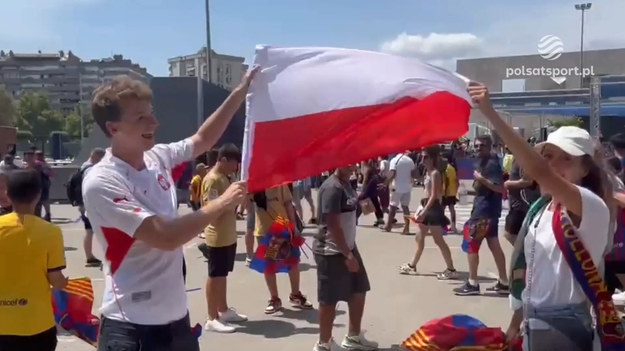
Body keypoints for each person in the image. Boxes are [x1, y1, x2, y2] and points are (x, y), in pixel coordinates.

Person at [82, 69, 255, 351]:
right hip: (132, 329)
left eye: (152, 112)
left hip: (177, 323)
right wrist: (223, 201)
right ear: (114, 129)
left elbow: (203, 139)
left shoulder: (156, 158)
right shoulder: (102, 181)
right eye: (141, 118)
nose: (155, 121)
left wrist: (240, 91)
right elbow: (166, 237)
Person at [470, 83, 613, 350]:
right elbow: (534, 274)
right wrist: (516, 320)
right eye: (547, 156)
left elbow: (541, 172)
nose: (552, 165)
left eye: (566, 159)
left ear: (585, 169)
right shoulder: (542, 209)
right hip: (534, 323)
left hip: (566, 328)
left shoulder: (590, 205)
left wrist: (490, 114)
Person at [0, 169, 68, 351]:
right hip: (37, 324)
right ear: (38, 195)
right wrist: (65, 283)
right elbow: (57, 281)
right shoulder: (51, 232)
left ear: (7, 193)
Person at [313, 165, 378, 351]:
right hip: (331, 250)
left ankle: (353, 337)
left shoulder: (347, 184)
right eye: (347, 163)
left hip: (348, 246)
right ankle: (323, 344)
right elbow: (332, 225)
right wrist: (347, 255)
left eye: (354, 163)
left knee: (359, 288)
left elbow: (350, 211)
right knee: (329, 298)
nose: (352, 167)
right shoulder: (331, 187)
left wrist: (363, 207)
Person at [454, 135, 509, 296]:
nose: (478, 149)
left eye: (481, 146)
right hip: (488, 211)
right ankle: (504, 282)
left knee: (472, 245)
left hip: (484, 212)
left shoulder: (491, 164)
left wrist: (481, 179)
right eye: (476, 146)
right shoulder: (483, 162)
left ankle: (473, 283)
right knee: (494, 245)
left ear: (489, 146)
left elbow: (500, 188)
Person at [201, 143, 248, 333]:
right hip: (217, 236)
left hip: (228, 234)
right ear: (223, 160)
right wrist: (233, 203)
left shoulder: (226, 178)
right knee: (215, 276)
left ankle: (223, 309)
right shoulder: (212, 180)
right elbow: (211, 209)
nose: (235, 167)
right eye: (233, 163)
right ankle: (212, 317)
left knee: (222, 275)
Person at [253, 184, 313, 314]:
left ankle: (295, 294)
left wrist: (294, 226)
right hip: (266, 232)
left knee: (293, 262)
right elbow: (245, 203)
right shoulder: (254, 184)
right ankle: (274, 298)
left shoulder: (280, 183)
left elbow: (288, 204)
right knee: (269, 266)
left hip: (283, 227)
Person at [399, 146, 456, 279]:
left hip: (433, 208)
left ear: (433, 158)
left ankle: (451, 269)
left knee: (439, 240)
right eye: (422, 157)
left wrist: (424, 211)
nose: (423, 159)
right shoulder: (428, 172)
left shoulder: (435, 173)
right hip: (426, 206)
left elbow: (434, 195)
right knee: (419, 237)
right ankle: (412, 265)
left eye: (426, 157)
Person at [502, 158, 540, 245]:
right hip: (516, 203)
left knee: (510, 234)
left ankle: (525, 253)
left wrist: (508, 184)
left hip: (521, 204)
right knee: (513, 234)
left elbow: (528, 181)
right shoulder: (518, 158)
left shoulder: (524, 159)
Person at [79, 148, 106, 267]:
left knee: (89, 231)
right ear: (96, 157)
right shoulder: (90, 169)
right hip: (89, 205)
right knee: (89, 231)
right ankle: (89, 256)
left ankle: (89, 255)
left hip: (85, 203)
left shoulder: (84, 166)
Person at [383, 151, 415, 234]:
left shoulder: (395, 160)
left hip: (396, 187)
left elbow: (393, 174)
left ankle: (388, 226)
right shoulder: (409, 160)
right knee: (405, 207)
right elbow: (413, 173)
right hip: (407, 187)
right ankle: (407, 228)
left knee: (392, 206)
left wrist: (385, 183)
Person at [358, 160, 384, 227]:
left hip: (368, 190)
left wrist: (362, 190)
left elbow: (365, 180)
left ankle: (355, 217)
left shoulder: (368, 170)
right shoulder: (374, 170)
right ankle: (380, 218)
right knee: (376, 203)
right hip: (373, 189)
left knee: (359, 202)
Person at [441, 154, 459, 233]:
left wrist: (444, 192)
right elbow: (456, 180)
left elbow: (446, 180)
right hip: (452, 191)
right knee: (452, 209)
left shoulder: (445, 168)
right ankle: (453, 226)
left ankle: (443, 226)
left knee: (442, 209)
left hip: (446, 192)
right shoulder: (453, 168)